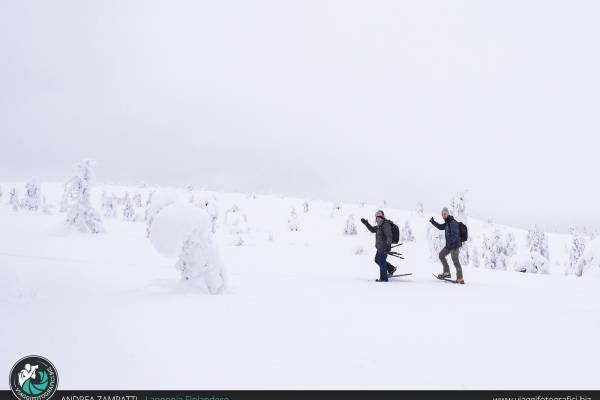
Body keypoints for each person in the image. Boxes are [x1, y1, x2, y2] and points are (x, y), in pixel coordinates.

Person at [430, 207, 464, 284]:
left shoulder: (453, 222)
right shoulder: (447, 223)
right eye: (442, 214)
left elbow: (455, 235)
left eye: (444, 214)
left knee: (455, 260)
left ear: (448, 214)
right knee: (441, 255)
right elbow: (441, 227)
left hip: (454, 246)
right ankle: (447, 272)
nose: (443, 216)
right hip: (449, 245)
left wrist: (453, 246)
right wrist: (433, 222)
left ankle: (460, 278)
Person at [360, 210, 396, 282]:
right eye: (376, 217)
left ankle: (383, 278)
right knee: (377, 260)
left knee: (382, 261)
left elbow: (389, 236)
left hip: (384, 247)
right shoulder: (379, 226)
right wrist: (366, 224)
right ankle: (391, 268)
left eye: (379, 217)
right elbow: (372, 229)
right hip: (379, 247)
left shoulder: (385, 225)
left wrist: (388, 245)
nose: (378, 219)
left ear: (382, 217)